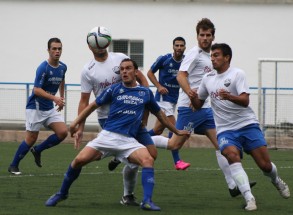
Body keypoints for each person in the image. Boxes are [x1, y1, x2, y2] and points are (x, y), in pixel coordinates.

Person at [45, 58, 190, 211]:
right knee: (78, 161)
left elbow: (160, 115)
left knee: (148, 159)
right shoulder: (114, 89)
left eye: (128, 68)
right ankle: (62, 193)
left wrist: (176, 131)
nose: (124, 72)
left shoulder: (145, 92)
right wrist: (76, 122)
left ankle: (146, 201)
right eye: (122, 69)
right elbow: (93, 105)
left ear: (135, 72)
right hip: (107, 136)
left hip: (128, 140)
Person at [151, 18, 255, 197]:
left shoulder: (213, 55)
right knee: (174, 144)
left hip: (206, 109)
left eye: (208, 35)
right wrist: (190, 93)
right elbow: (181, 76)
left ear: (213, 36)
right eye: (201, 35)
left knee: (221, 146)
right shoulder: (194, 54)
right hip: (190, 108)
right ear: (197, 36)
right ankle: (140, 139)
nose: (205, 38)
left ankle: (232, 186)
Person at [190, 43, 290, 211]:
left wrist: (229, 96)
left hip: (247, 125)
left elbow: (245, 101)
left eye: (216, 55)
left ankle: (276, 180)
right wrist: (192, 97)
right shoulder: (207, 79)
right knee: (231, 156)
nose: (212, 59)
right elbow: (198, 104)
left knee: (265, 165)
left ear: (227, 57)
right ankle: (249, 198)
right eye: (211, 56)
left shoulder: (237, 74)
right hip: (225, 130)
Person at [75, 26, 157, 206]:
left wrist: (144, 115)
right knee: (139, 156)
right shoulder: (88, 70)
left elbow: (142, 81)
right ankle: (128, 194)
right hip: (108, 119)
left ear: (108, 42)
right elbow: (84, 101)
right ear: (90, 47)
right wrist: (79, 127)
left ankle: (120, 160)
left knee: (151, 154)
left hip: (132, 115)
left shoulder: (120, 58)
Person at [8, 38, 68, 175]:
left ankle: (38, 150)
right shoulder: (43, 68)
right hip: (35, 107)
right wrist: (55, 98)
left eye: (59, 48)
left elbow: (62, 79)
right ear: (48, 50)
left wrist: (61, 98)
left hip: (49, 108)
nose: (57, 51)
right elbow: (36, 90)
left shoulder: (63, 67)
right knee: (31, 138)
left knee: (63, 132)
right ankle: (13, 165)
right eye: (54, 48)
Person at [147, 36, 190, 170]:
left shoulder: (187, 62)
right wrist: (159, 86)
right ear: (173, 47)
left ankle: (133, 140)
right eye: (176, 45)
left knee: (158, 130)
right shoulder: (164, 59)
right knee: (174, 127)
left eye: (181, 45)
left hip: (174, 100)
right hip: (162, 99)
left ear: (184, 47)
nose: (179, 48)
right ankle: (177, 161)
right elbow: (149, 73)